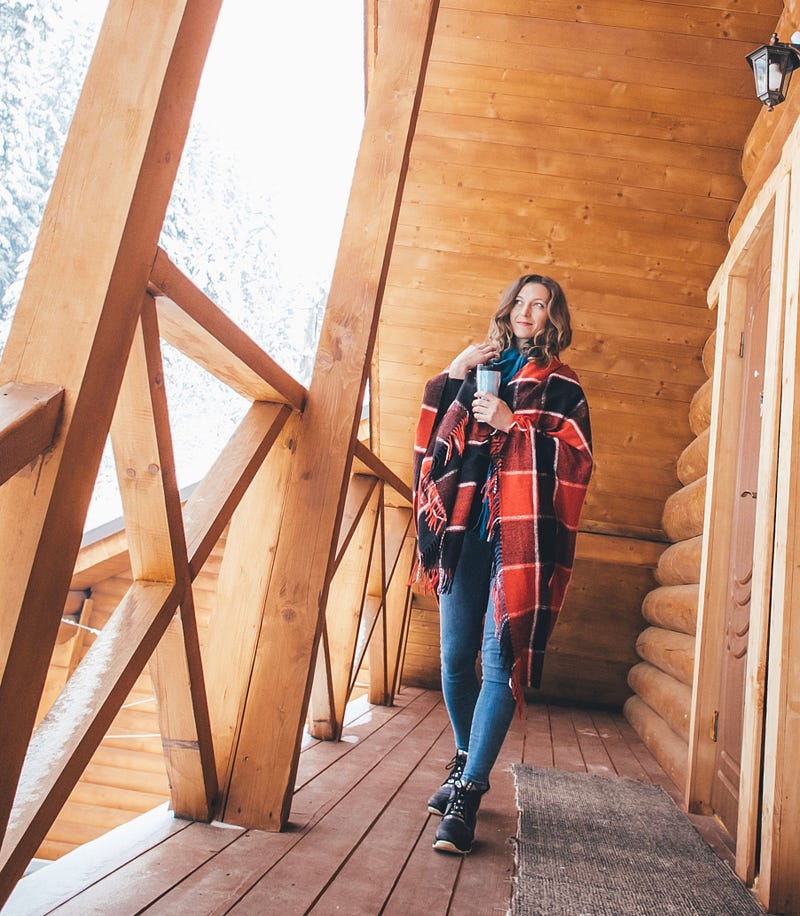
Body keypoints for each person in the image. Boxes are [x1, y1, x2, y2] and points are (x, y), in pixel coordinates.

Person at [412, 273, 593, 855]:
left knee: (497, 660)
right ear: (509, 309)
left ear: (553, 319)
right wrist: (455, 372)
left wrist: (512, 427)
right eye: (521, 301)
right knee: (452, 659)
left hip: (521, 536)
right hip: (466, 528)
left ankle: (468, 789)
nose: (527, 311)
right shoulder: (485, 367)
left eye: (540, 306)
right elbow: (434, 444)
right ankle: (467, 756)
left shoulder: (563, 386)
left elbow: (578, 462)